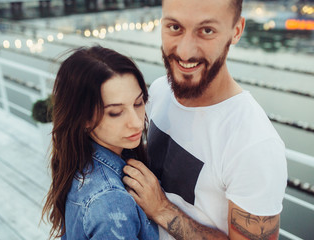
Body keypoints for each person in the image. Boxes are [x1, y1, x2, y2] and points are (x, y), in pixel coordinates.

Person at [122, 0, 288, 239]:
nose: (185, 52)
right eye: (175, 27)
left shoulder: (254, 144)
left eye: (206, 31)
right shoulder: (160, 91)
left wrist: (162, 209)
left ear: (237, 31)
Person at [41, 45, 158, 239]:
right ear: (84, 118)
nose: (137, 122)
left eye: (138, 103)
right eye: (115, 112)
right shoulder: (111, 201)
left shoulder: (77, 159)